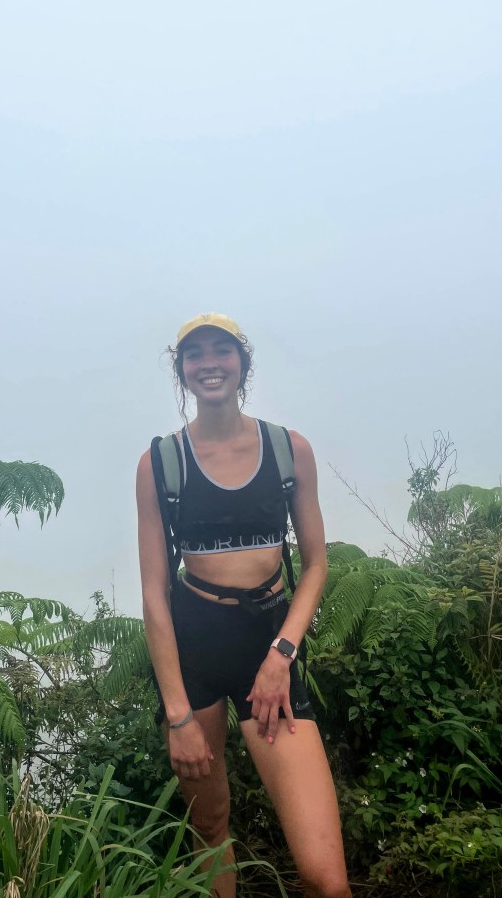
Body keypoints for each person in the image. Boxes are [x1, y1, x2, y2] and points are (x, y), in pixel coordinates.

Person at [136, 313, 352, 898]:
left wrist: (282, 653)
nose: (209, 363)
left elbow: (316, 565)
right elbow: (154, 592)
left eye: (222, 351)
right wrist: (177, 715)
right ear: (182, 372)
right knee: (210, 828)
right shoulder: (161, 462)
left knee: (325, 879)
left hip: (268, 644)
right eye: (195, 355)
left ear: (242, 363)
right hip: (195, 650)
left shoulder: (287, 450)